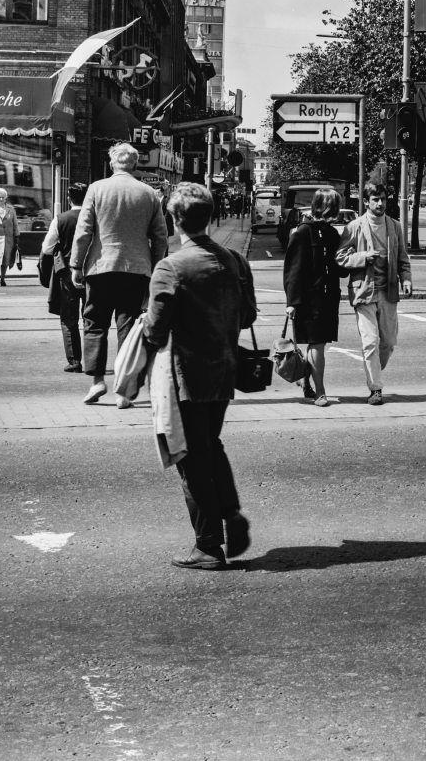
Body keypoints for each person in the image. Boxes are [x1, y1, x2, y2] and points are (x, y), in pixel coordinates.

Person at [141, 181, 257, 571]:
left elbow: (155, 332)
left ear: (175, 220)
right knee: (210, 443)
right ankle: (230, 512)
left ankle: (208, 544)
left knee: (190, 458)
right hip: (224, 370)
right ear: (208, 217)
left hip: (184, 375)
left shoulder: (170, 267)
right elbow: (249, 316)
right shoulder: (235, 261)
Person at [70, 142, 170, 406]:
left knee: (94, 323)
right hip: (136, 269)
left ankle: (97, 380)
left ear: (112, 163)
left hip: (100, 268)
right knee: (128, 326)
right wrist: (156, 268)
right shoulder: (148, 193)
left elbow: (84, 232)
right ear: (135, 165)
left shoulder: (97, 189)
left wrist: (76, 265)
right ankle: (124, 390)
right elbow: (160, 237)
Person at [336, 182, 412, 405]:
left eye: (383, 199)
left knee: (387, 343)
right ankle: (375, 388)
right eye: (375, 199)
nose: (380, 203)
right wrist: (362, 257)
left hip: (388, 291)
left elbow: (403, 259)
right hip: (364, 291)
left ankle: (374, 372)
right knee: (370, 342)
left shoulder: (395, 226)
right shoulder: (354, 227)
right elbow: (340, 257)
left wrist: (406, 279)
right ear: (366, 202)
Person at [283, 187, 343, 407]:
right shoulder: (302, 232)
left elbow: (339, 268)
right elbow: (293, 270)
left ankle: (307, 382)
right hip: (309, 300)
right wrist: (292, 302)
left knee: (317, 345)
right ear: (325, 207)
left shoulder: (331, 233)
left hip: (328, 298)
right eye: (334, 206)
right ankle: (320, 391)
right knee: (316, 345)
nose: (336, 212)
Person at [40, 182, 88, 372]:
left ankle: (75, 361)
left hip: (67, 273)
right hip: (92, 272)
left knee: (69, 318)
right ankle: (94, 360)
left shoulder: (61, 219)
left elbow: (47, 248)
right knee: (92, 319)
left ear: (69, 199)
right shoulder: (96, 218)